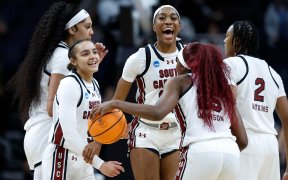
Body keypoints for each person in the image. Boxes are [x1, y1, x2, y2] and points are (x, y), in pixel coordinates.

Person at [89, 42, 248, 180]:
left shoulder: (180, 81)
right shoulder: (222, 88)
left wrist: (116, 103)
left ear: (183, 65)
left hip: (199, 149)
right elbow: (243, 140)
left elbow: (157, 112)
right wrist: (222, 151)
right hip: (230, 153)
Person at [7, 2, 107, 179]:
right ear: (72, 30)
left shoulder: (64, 54)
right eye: (87, 27)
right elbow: (52, 106)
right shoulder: (62, 57)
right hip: (49, 137)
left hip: (51, 137)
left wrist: (90, 66)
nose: (92, 32)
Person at [83, 5, 184, 180]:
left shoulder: (188, 55)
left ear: (179, 25)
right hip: (146, 132)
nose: (168, 21)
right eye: (162, 18)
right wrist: (99, 139)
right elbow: (117, 100)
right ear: (154, 26)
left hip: (177, 133)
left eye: (173, 18)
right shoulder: (140, 57)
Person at [223, 20, 288, 180]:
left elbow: (228, 105)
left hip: (243, 142)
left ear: (237, 41)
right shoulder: (273, 73)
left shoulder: (229, 65)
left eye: (227, 36)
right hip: (270, 146)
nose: (224, 40)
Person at [41, 39, 125, 179]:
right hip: (62, 158)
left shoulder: (94, 84)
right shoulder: (69, 84)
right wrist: (101, 165)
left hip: (84, 158)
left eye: (94, 52)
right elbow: (69, 134)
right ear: (73, 61)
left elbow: (92, 126)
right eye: (85, 54)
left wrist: (121, 131)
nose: (93, 56)